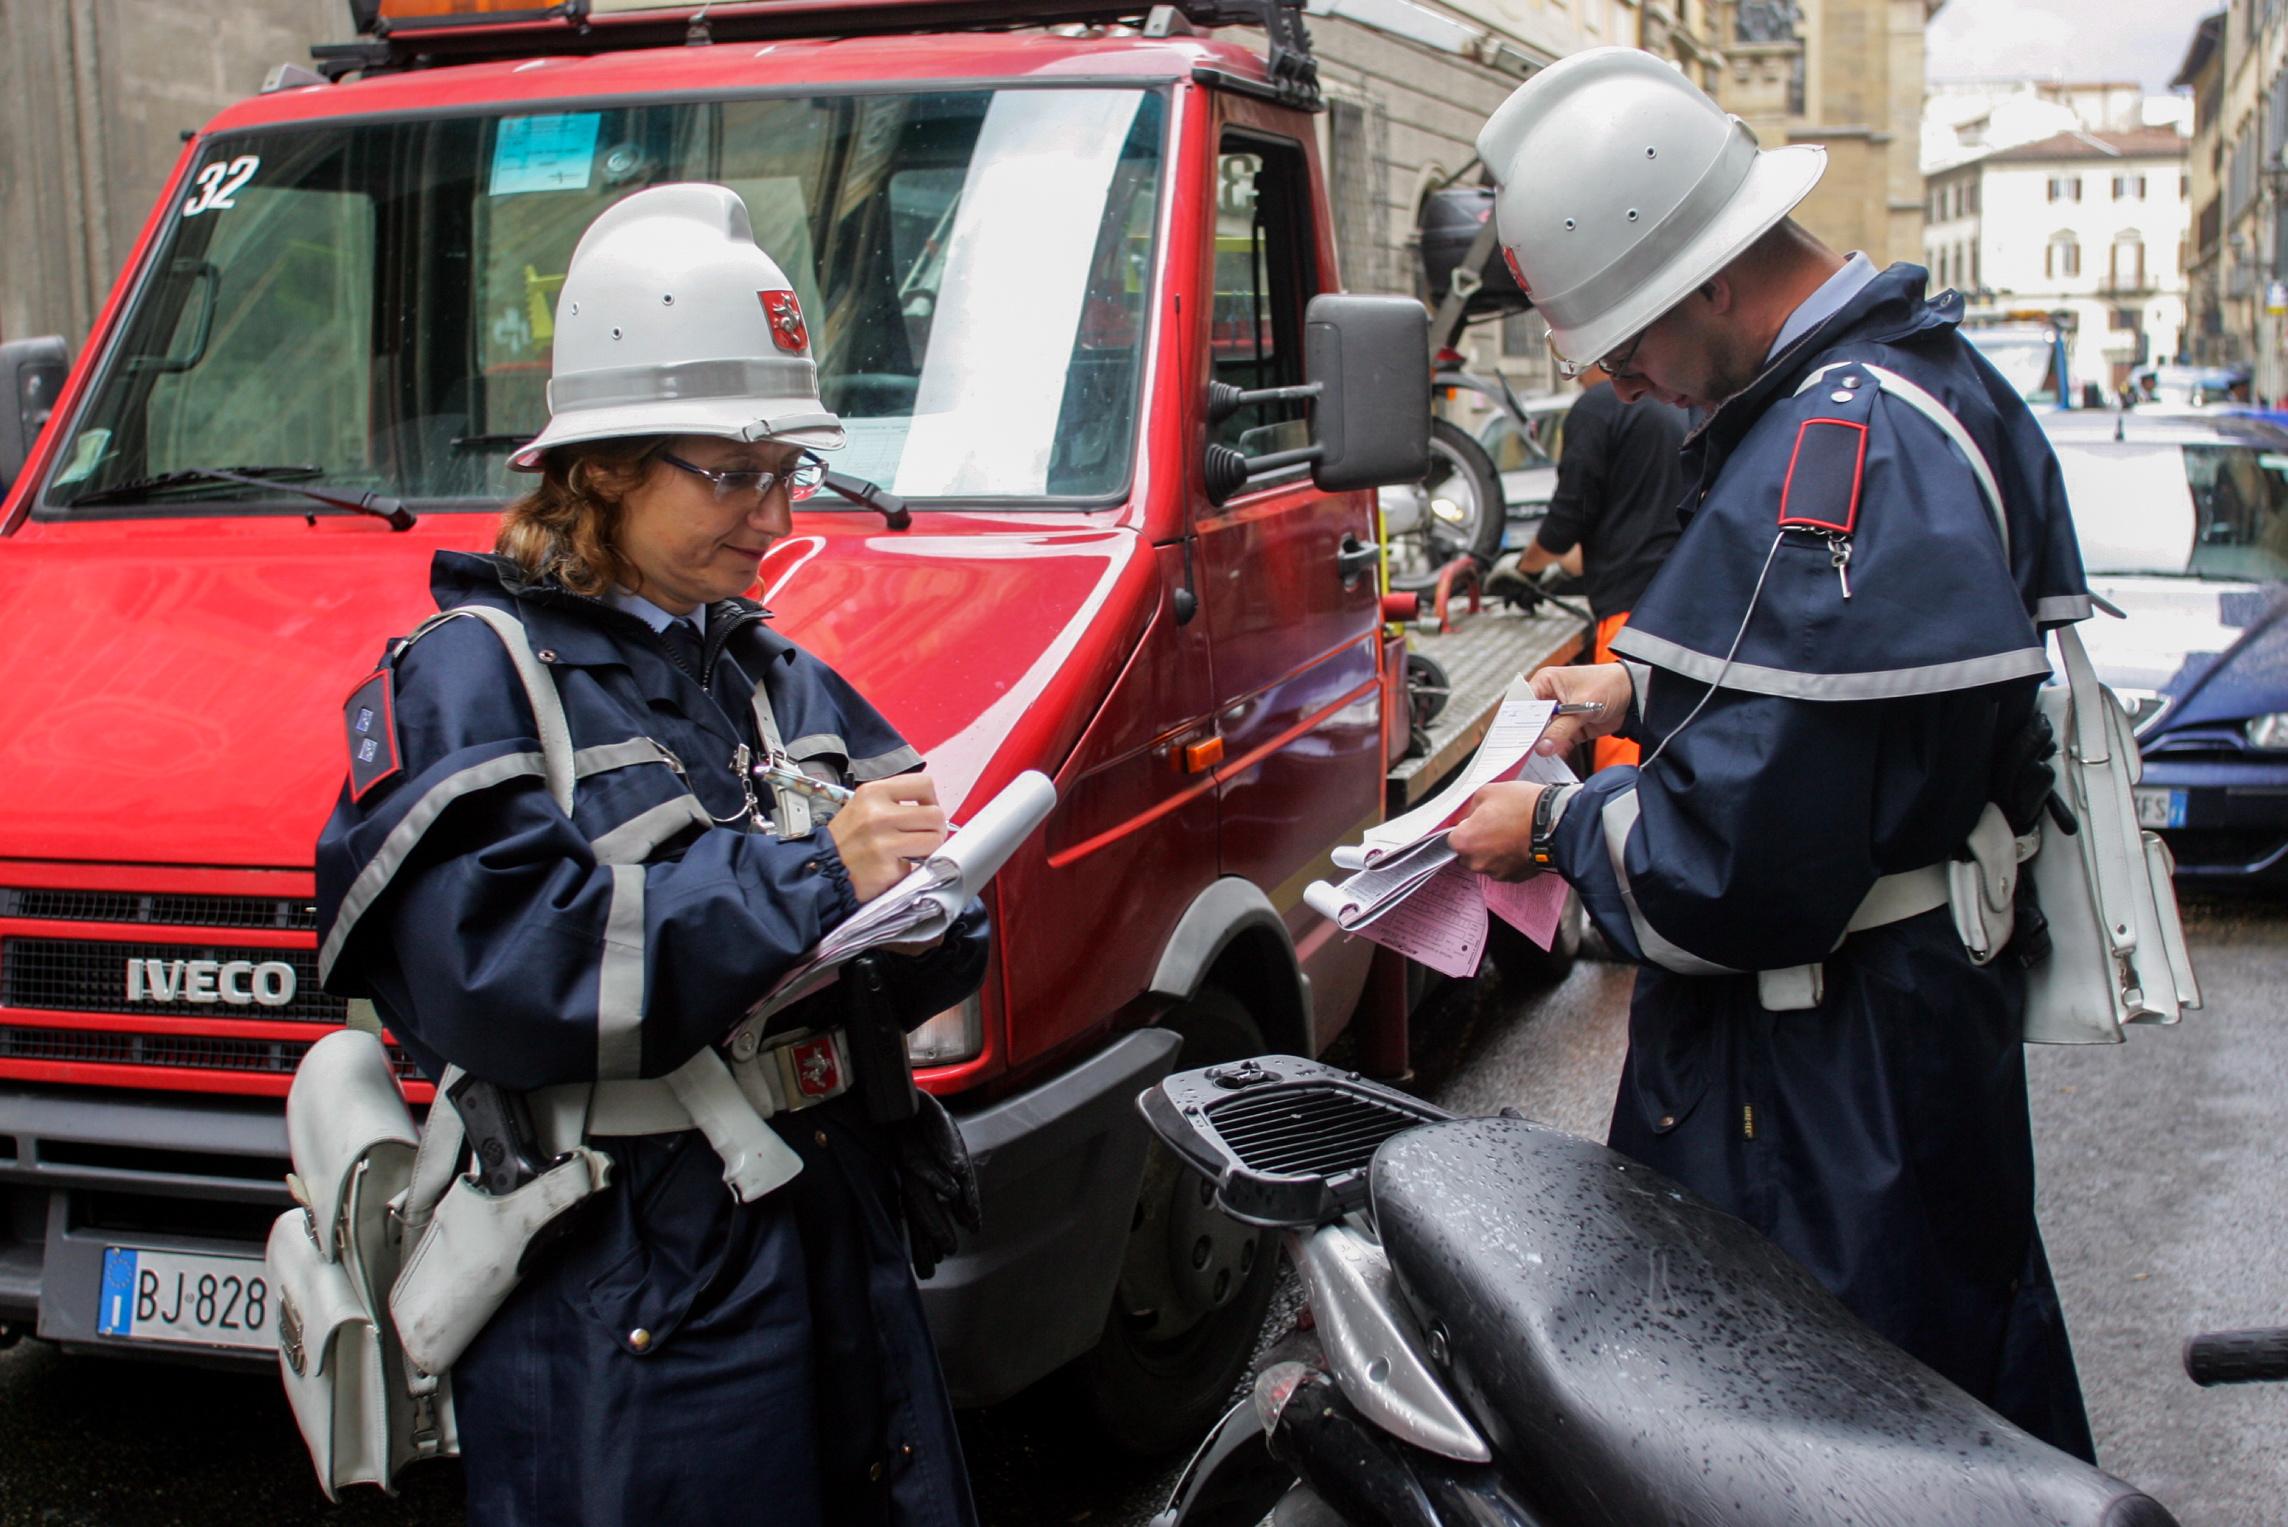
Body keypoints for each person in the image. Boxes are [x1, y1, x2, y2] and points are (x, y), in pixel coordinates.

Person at [1448, 48, 2099, 1459]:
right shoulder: (1920, 379)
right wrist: (1635, 678)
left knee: (1816, 1443)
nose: (1630, 382)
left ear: (1711, 280)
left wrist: (1552, 829)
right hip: (1902, 1045)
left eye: (1627, 347)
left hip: (1822, 1083)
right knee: (1955, 1408)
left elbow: (1740, 861)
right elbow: (1870, 713)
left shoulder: (1837, 442)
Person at [314, 184, 987, 1526]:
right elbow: (502, 969)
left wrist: (928, 914)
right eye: (735, 474)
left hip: (820, 1221)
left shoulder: (769, 673)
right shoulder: (473, 678)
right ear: (605, 467)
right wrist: (812, 880)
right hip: (625, 1277)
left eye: (787, 474)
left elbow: (923, 937)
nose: (776, 516)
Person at [1498, 376, 1686, 767]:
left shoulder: (1601, 405)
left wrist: (1525, 569)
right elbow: (1633, 517)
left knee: (1625, 767)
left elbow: (1571, 514)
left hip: (1631, 616)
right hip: (1677, 600)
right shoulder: (1671, 402)